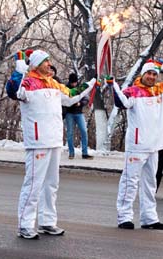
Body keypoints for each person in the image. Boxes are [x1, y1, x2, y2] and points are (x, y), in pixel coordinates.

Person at [6, 50, 96, 239]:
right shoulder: (28, 83)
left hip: (55, 140)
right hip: (38, 141)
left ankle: (47, 221)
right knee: (33, 184)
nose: (49, 64)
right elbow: (13, 91)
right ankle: (25, 224)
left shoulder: (54, 84)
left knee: (51, 184)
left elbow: (72, 95)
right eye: (46, 61)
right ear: (37, 64)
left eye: (49, 61)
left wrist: (91, 83)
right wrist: (19, 68)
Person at [110, 59, 163, 230]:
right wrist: (113, 85)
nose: (151, 77)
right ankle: (124, 217)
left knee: (150, 183)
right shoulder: (132, 92)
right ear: (142, 74)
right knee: (130, 182)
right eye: (148, 73)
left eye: (154, 74)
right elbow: (121, 103)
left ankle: (149, 218)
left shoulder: (162, 91)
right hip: (137, 146)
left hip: (155, 146)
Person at [65, 73, 93, 159]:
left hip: (79, 112)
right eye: (72, 83)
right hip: (69, 113)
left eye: (75, 82)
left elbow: (86, 98)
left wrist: (80, 103)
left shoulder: (80, 88)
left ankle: (85, 152)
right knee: (70, 133)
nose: (74, 84)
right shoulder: (66, 89)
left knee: (84, 131)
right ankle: (71, 152)